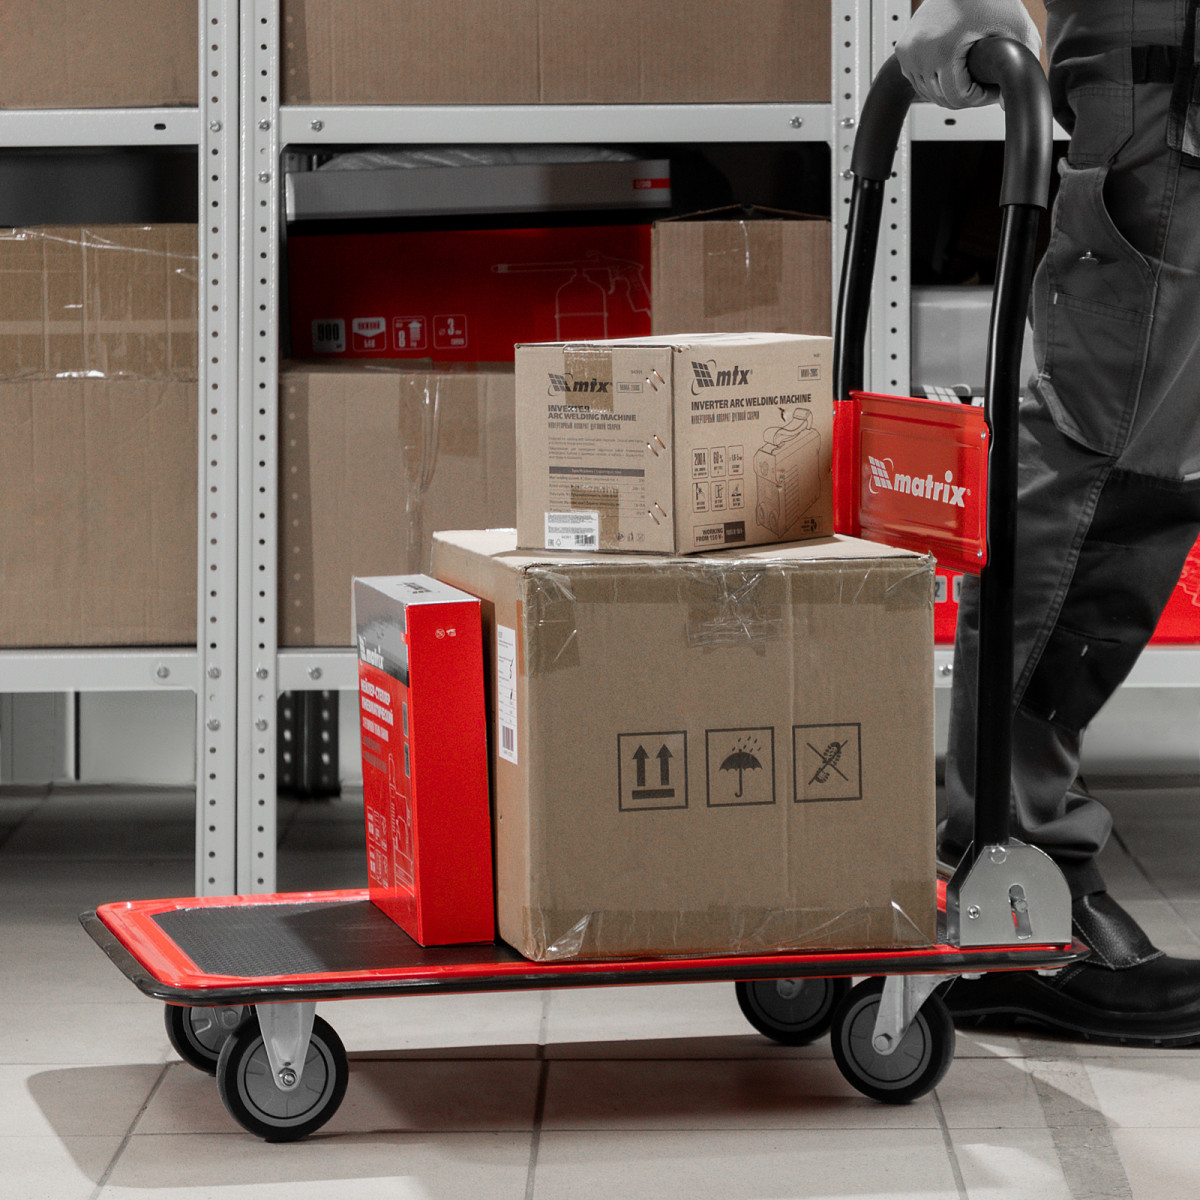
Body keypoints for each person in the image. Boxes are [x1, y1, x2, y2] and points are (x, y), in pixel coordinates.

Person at [896, 0, 1200, 1044]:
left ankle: (1015, 867)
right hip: (1169, 94)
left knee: (1138, 480)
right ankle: (1015, 892)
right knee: (1107, 485)